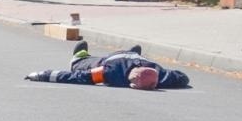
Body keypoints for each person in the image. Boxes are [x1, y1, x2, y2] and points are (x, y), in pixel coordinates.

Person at [26, 41, 190, 90]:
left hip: (130, 57)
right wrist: (42, 75)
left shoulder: (157, 72)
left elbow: (182, 78)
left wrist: (41, 75)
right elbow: (79, 76)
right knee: (82, 65)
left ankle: (79, 59)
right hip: (112, 60)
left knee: (85, 68)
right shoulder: (110, 71)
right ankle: (78, 59)